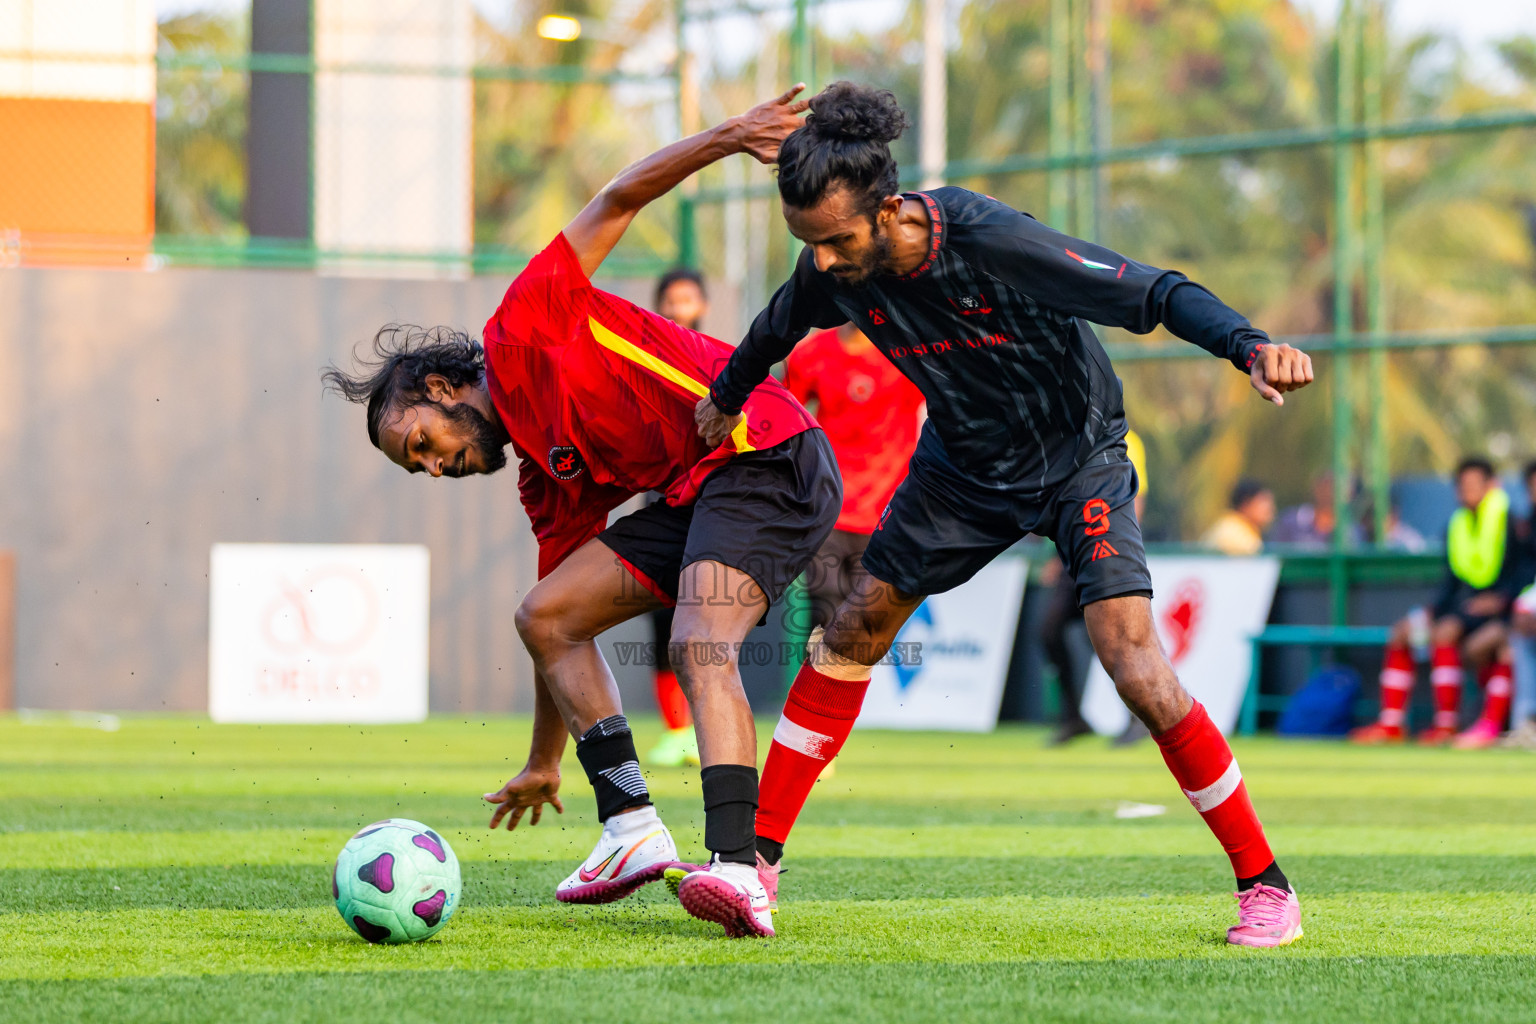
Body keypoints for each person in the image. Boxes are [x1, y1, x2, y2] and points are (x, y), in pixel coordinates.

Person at [693, 81, 1315, 947]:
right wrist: (724, 399)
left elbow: (1156, 292)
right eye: (810, 245)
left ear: (889, 208)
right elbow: (772, 330)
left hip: (1078, 461)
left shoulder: (989, 239)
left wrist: (1250, 345)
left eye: (836, 240)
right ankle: (755, 868)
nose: (825, 262)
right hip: (962, 469)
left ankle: (1266, 886)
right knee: (850, 631)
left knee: (1132, 664)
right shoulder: (827, 269)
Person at [323, 86, 837, 939]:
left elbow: (618, 198)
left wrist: (728, 136)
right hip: (700, 487)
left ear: (443, 390)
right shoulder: (543, 477)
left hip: (767, 449)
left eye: (420, 442)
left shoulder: (525, 326)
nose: (433, 466)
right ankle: (631, 827)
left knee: (696, 638)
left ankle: (740, 870)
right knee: (547, 612)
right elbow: (559, 630)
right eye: (417, 466)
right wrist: (541, 759)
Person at [1351, 457, 1526, 747]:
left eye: (1473, 484)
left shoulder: (1514, 524)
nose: (1466, 490)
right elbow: (1451, 582)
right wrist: (1432, 611)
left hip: (1498, 617)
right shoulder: (1456, 525)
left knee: (1452, 635)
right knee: (1403, 632)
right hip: (1461, 613)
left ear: (1491, 486)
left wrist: (1501, 599)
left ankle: (1448, 724)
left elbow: (1523, 572)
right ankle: (1391, 724)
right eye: (1462, 485)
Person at [784, 323, 925, 631]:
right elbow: (785, 422)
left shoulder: (908, 352)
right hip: (827, 509)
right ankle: (815, 681)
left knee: (865, 627)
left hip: (886, 514)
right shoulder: (810, 354)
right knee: (824, 620)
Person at [1040, 428, 1148, 745]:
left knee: (1111, 639)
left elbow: (1133, 496)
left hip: (1103, 550)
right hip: (1071, 554)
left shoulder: (1126, 437)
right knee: (1049, 632)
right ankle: (1074, 717)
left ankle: (1137, 718)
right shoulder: (1065, 435)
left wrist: (1122, 547)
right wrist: (1053, 554)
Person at [644, 268, 713, 768]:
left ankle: (708, 726)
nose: (677, 307)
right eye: (670, 299)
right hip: (662, 502)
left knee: (708, 623)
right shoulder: (643, 363)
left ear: (702, 305)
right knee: (663, 622)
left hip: (712, 506)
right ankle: (676, 732)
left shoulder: (723, 362)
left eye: (686, 298)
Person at [1201, 479, 1275, 555]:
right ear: (1245, 504)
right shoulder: (1235, 533)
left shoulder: (1233, 525)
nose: (1270, 508)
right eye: (1263, 501)